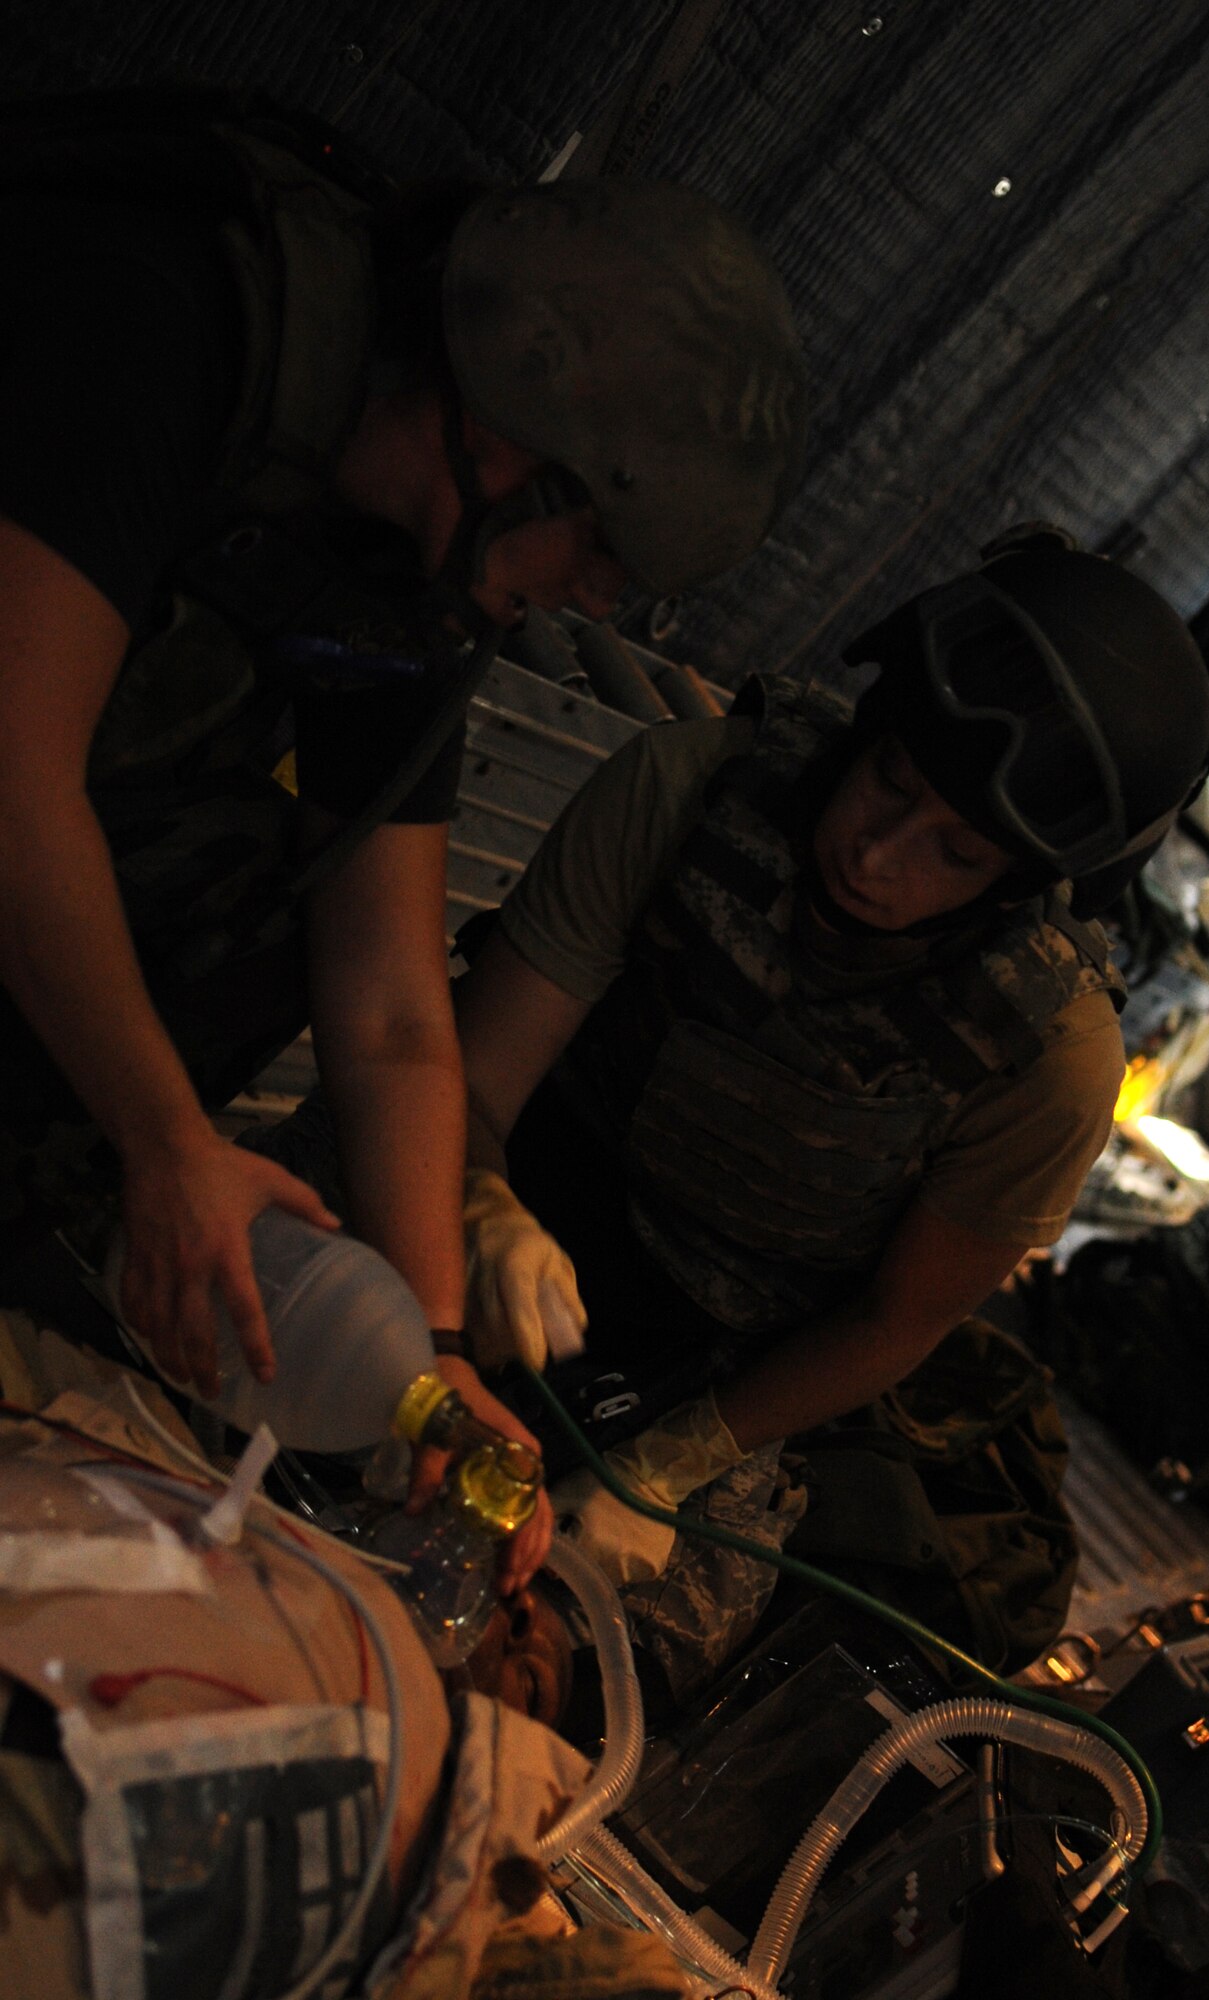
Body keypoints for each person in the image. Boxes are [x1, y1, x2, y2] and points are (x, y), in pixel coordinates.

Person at [0, 87, 807, 1579]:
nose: (595, 604)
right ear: (511, 434)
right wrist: (169, 1143)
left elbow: (387, 1013)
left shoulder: (406, 578)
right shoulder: (165, 316)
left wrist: (436, 1377)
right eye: (600, 548)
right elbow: (11, 766)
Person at [450, 529, 1209, 1591]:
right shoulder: (684, 792)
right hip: (527, 1194)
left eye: (954, 851)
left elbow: (890, 1321)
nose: (875, 851)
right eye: (890, 779)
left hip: (735, 1363)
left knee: (600, 1629)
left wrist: (670, 1465)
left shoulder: (1045, 1055)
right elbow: (470, 1077)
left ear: (1012, 885)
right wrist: (475, 1197)